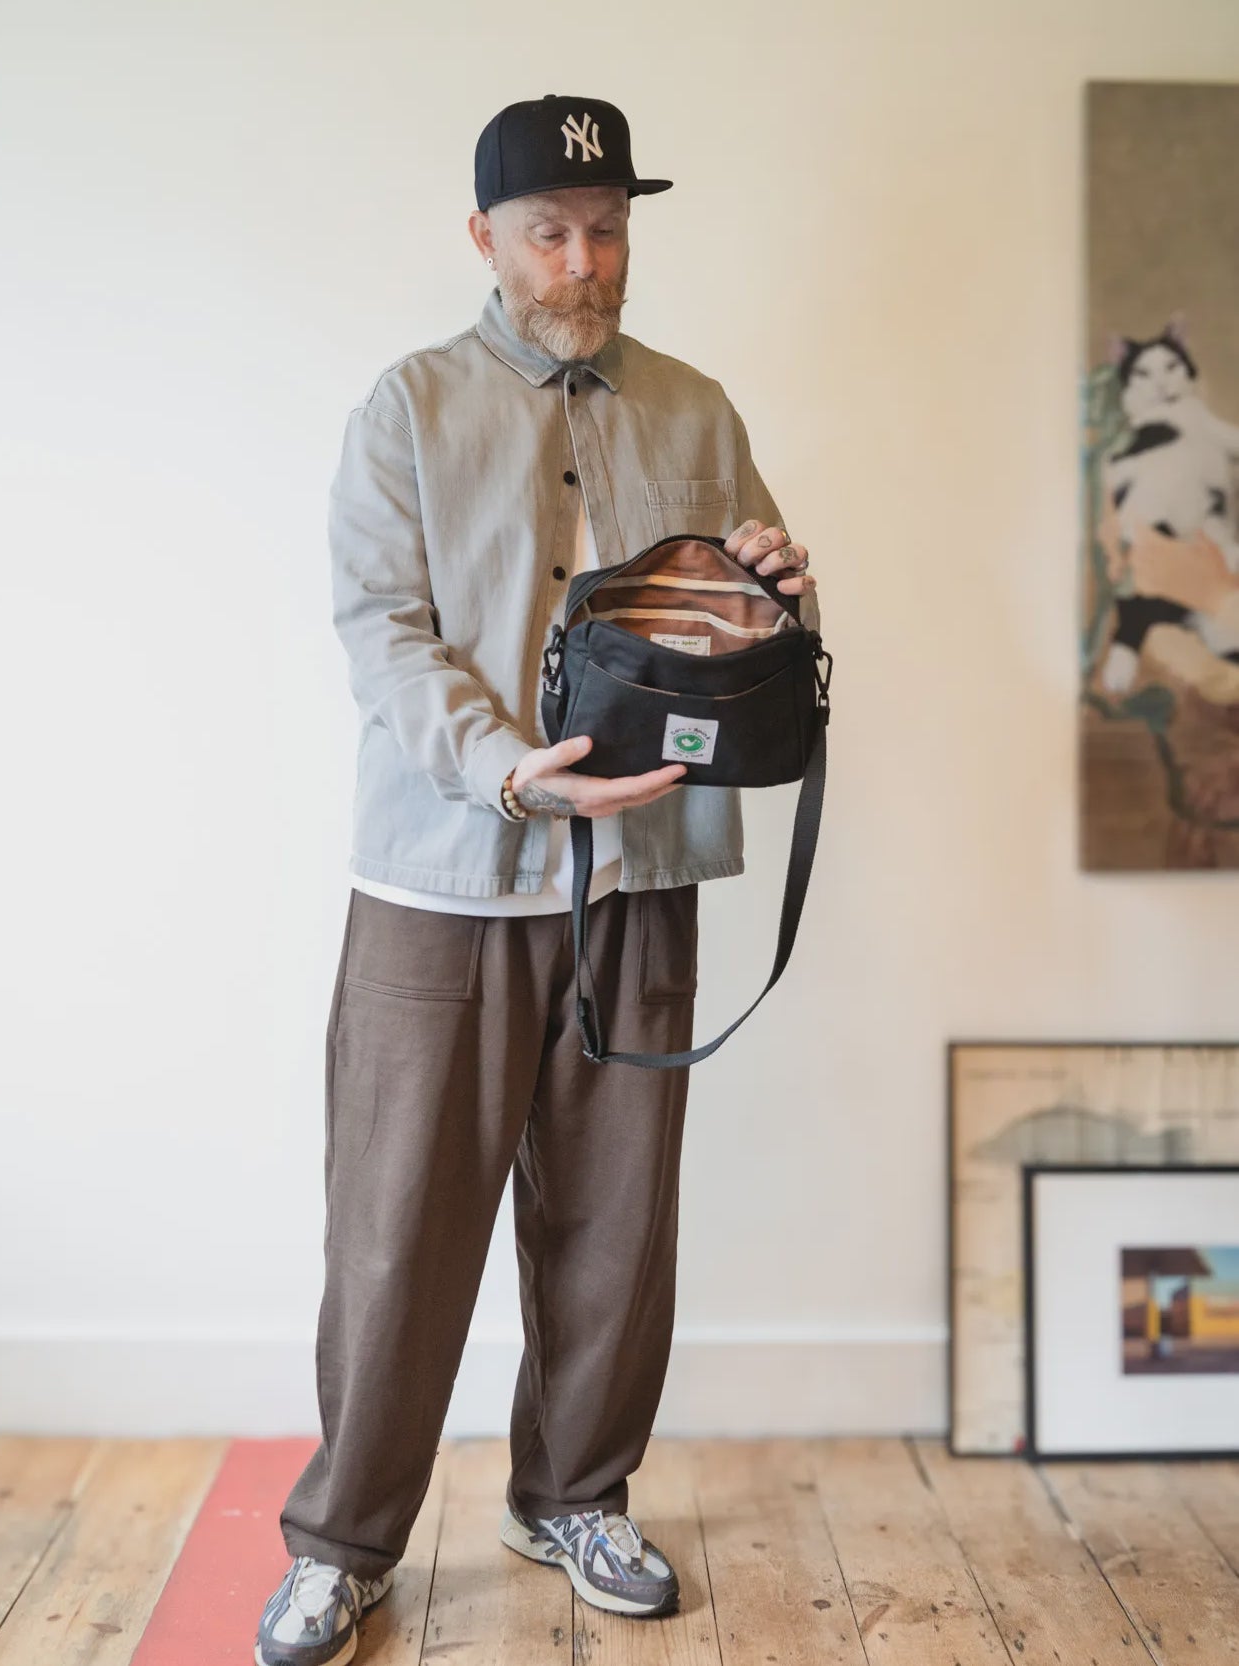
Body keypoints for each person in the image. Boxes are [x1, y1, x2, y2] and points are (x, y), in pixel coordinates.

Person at [254, 92, 818, 1666]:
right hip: (443, 879)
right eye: (550, 230)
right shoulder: (407, 407)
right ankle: (345, 1541)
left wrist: (783, 593)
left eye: (608, 227)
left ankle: (573, 1494)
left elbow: (737, 624)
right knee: (395, 1230)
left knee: (615, 1225)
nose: (584, 259)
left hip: (640, 876)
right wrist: (509, 768)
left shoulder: (698, 410)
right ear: (485, 238)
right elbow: (382, 633)